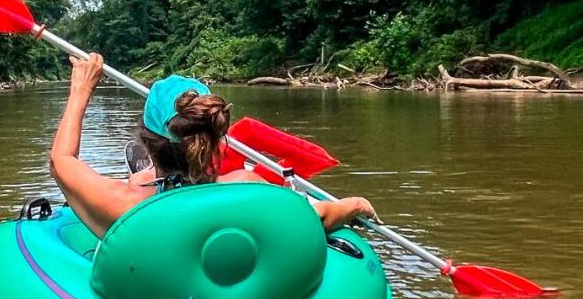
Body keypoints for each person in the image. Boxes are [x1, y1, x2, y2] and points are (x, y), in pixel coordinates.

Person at [49, 54, 379, 241]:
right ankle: (157, 174)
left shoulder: (119, 204)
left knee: (137, 183)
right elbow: (322, 217)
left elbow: (61, 159)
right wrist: (357, 204)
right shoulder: (247, 189)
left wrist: (81, 88)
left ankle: (152, 174)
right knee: (142, 180)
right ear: (215, 137)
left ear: (147, 141)